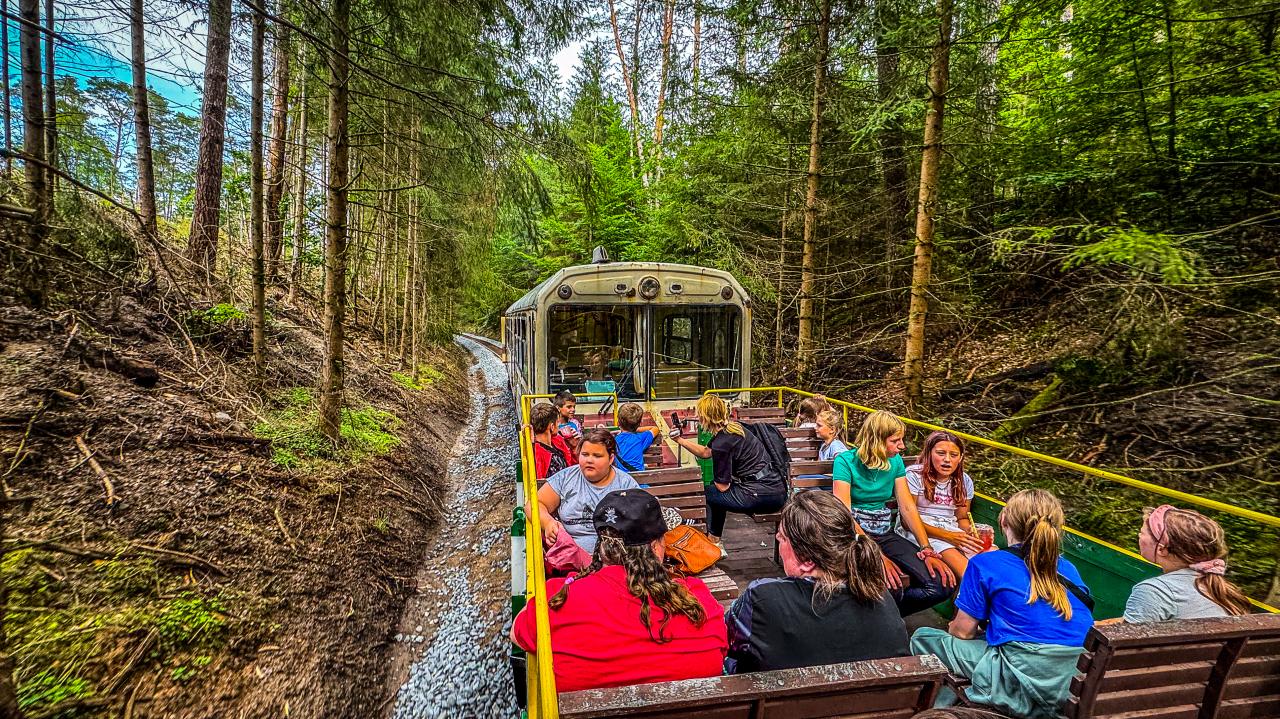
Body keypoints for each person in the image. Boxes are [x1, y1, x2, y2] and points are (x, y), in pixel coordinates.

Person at [511, 489, 728, 692]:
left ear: (602, 548)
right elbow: (721, 648)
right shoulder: (697, 598)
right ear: (655, 547)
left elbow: (518, 634)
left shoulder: (559, 597)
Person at [910, 489, 1095, 719]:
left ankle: (942, 711)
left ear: (1004, 521)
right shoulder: (1068, 568)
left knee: (924, 638)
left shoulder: (986, 563)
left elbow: (962, 633)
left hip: (1022, 677)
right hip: (1075, 681)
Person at [725, 491, 908, 673]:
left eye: (782, 537)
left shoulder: (762, 599)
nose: (777, 540)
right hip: (875, 700)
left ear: (807, 560)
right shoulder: (881, 597)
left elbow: (726, 642)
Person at [833, 411, 954, 616]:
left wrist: (926, 548)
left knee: (940, 586)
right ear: (876, 440)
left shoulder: (895, 461)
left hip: (883, 532)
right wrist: (876, 556)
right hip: (854, 536)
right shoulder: (845, 462)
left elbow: (907, 507)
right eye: (895, 440)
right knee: (891, 585)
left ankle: (882, 618)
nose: (902, 446)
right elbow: (844, 514)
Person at [669, 395, 788, 556]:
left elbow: (722, 487)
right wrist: (680, 440)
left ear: (706, 417)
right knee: (714, 492)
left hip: (760, 495)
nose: (697, 417)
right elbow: (706, 452)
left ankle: (714, 542)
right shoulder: (735, 428)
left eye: (699, 414)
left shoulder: (722, 444)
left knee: (710, 493)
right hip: (777, 491)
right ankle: (715, 541)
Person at [1122, 505, 1251, 622]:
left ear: (1162, 549)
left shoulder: (1154, 592)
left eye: (1142, 533)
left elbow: (1124, 644)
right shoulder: (1219, 590)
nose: (1139, 536)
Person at [534, 428, 638, 553]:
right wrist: (548, 522)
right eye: (585, 454)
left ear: (610, 459)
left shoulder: (625, 484)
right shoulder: (566, 478)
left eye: (597, 456)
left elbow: (641, 521)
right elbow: (534, 504)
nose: (589, 460)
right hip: (570, 555)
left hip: (614, 556)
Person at [899, 431, 984, 578]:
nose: (947, 460)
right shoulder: (914, 475)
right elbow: (907, 522)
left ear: (961, 457)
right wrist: (949, 537)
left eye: (953, 455)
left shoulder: (964, 481)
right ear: (929, 453)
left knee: (991, 556)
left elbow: (962, 518)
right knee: (968, 572)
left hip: (951, 528)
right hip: (920, 529)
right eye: (940, 453)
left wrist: (971, 531)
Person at [529, 402, 574, 480]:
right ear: (552, 426)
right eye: (557, 422)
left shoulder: (558, 440)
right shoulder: (538, 452)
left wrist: (574, 446)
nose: (559, 425)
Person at [613, 402, 662, 473]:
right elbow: (655, 429)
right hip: (640, 483)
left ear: (618, 422)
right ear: (639, 424)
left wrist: (621, 431)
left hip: (621, 482)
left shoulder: (614, 440)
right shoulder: (640, 438)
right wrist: (636, 429)